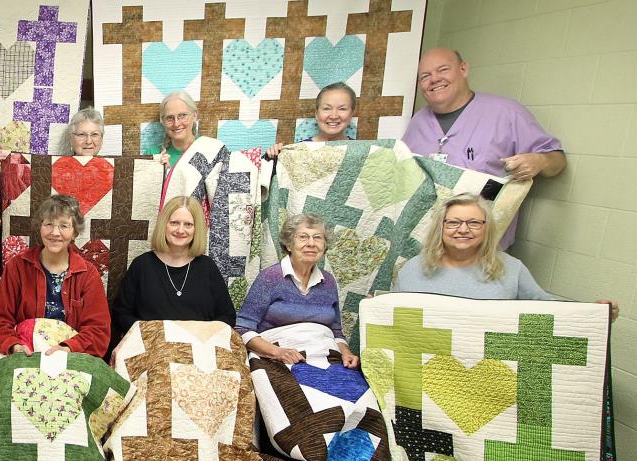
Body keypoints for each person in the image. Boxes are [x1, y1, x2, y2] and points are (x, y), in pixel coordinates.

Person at [402, 47, 565, 248]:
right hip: (426, 245)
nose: (434, 79)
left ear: (463, 69)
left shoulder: (506, 113)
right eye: (425, 76)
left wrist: (540, 161)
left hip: (483, 247)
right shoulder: (418, 121)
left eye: (443, 70)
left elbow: (557, 160)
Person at [393, 193, 620, 320]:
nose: (463, 230)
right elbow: (395, 318)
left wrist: (596, 313)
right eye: (453, 222)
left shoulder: (511, 268)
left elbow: (550, 310)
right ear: (440, 228)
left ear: (486, 228)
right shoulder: (414, 268)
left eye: (474, 223)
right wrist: (376, 310)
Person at [0, 194, 109, 358]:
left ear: (74, 233)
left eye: (64, 226)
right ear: (40, 227)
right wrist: (14, 345)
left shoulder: (88, 274)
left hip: (70, 354)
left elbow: (98, 329)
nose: (55, 232)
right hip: (23, 351)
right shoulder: (17, 267)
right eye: (49, 224)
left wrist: (69, 348)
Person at [235, 214, 358, 368]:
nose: (311, 243)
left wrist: (346, 352)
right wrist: (277, 352)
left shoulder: (329, 282)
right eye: (303, 237)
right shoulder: (270, 277)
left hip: (326, 356)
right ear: (288, 245)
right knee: (296, 393)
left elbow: (336, 331)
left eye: (318, 238)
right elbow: (243, 328)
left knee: (354, 391)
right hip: (276, 359)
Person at [111, 196, 236, 342]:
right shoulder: (142, 265)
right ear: (164, 225)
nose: (180, 230)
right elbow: (121, 315)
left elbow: (227, 317)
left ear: (197, 229)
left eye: (188, 224)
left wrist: (200, 334)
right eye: (174, 223)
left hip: (200, 348)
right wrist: (155, 333)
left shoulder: (208, 267)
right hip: (152, 348)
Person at [266, 82, 357, 158]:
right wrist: (272, 156)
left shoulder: (362, 151)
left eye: (342, 109)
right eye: (326, 108)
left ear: (351, 114)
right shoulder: (298, 151)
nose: (333, 116)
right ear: (316, 114)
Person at [155, 91, 199, 169]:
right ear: (162, 121)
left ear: (195, 115)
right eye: (169, 118)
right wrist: (160, 174)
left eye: (182, 116)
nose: (176, 124)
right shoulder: (154, 155)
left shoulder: (211, 151)